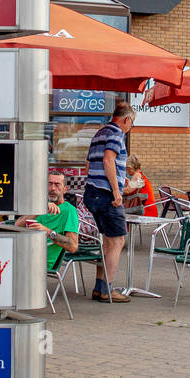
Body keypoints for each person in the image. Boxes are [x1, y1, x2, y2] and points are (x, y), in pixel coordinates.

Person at [84, 100, 134, 303]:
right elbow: (108, 160)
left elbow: (90, 163)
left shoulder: (100, 132)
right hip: (106, 194)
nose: (131, 128)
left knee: (107, 241)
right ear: (127, 119)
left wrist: (120, 177)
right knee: (117, 241)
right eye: (132, 124)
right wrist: (116, 189)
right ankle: (107, 289)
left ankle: (99, 287)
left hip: (92, 191)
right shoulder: (116, 133)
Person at [25, 170, 79, 271]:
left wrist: (48, 232)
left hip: (38, 261)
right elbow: (17, 225)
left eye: (57, 185)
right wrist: (41, 207)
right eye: (49, 184)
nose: (53, 188)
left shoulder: (69, 210)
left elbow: (73, 246)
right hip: (24, 252)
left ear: (65, 189)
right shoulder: (40, 206)